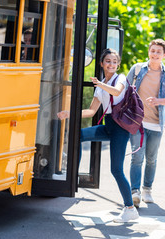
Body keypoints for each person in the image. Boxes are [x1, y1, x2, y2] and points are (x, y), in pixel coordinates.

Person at [57, 48, 139, 222]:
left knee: (116, 169)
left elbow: (116, 92)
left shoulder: (120, 78)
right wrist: (69, 113)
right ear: (102, 63)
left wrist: (100, 84)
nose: (111, 64)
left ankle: (130, 208)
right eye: (108, 61)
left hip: (120, 128)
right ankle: (74, 174)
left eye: (114, 61)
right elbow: (91, 111)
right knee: (78, 135)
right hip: (108, 125)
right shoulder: (101, 84)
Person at [126, 39, 165, 208]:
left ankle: (147, 189)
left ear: (164, 55)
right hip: (137, 121)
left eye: (158, 52)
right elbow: (125, 90)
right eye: (153, 50)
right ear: (149, 52)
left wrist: (158, 101)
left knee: (151, 159)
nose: (155, 54)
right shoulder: (138, 69)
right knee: (137, 157)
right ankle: (135, 192)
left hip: (156, 123)